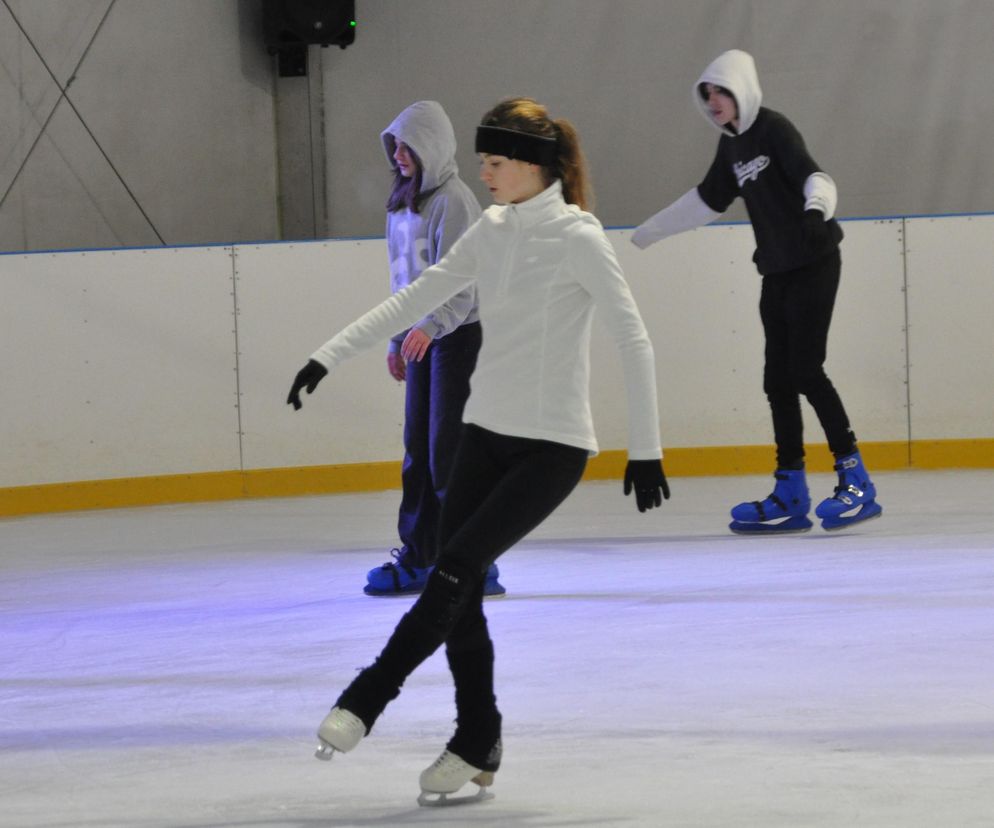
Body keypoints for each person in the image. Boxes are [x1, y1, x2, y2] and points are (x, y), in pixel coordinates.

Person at [287, 97, 669, 805]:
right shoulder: (492, 230)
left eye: (494, 162)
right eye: (485, 161)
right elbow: (416, 298)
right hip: (483, 434)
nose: (484, 173)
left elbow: (633, 337)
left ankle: (365, 699)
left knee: (457, 572)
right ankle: (478, 737)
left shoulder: (580, 237)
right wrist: (327, 354)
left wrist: (645, 450)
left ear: (531, 166)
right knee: (459, 593)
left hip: (551, 448)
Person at [631, 49, 881, 533]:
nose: (713, 102)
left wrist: (815, 211)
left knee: (807, 370)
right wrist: (648, 231)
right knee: (777, 381)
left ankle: (856, 480)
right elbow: (706, 201)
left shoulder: (774, 129)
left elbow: (817, 176)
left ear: (740, 90)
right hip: (777, 271)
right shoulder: (731, 149)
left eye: (720, 91)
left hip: (816, 261)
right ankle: (790, 488)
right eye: (707, 95)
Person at [365, 100, 503, 597]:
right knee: (417, 450)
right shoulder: (402, 204)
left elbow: (462, 280)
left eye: (408, 146)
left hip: (457, 336)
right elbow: (403, 281)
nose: (399, 154)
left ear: (432, 147)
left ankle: (473, 561)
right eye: (395, 146)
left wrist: (432, 325)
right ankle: (421, 554)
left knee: (449, 452)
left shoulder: (456, 200)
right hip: (423, 337)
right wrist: (398, 337)